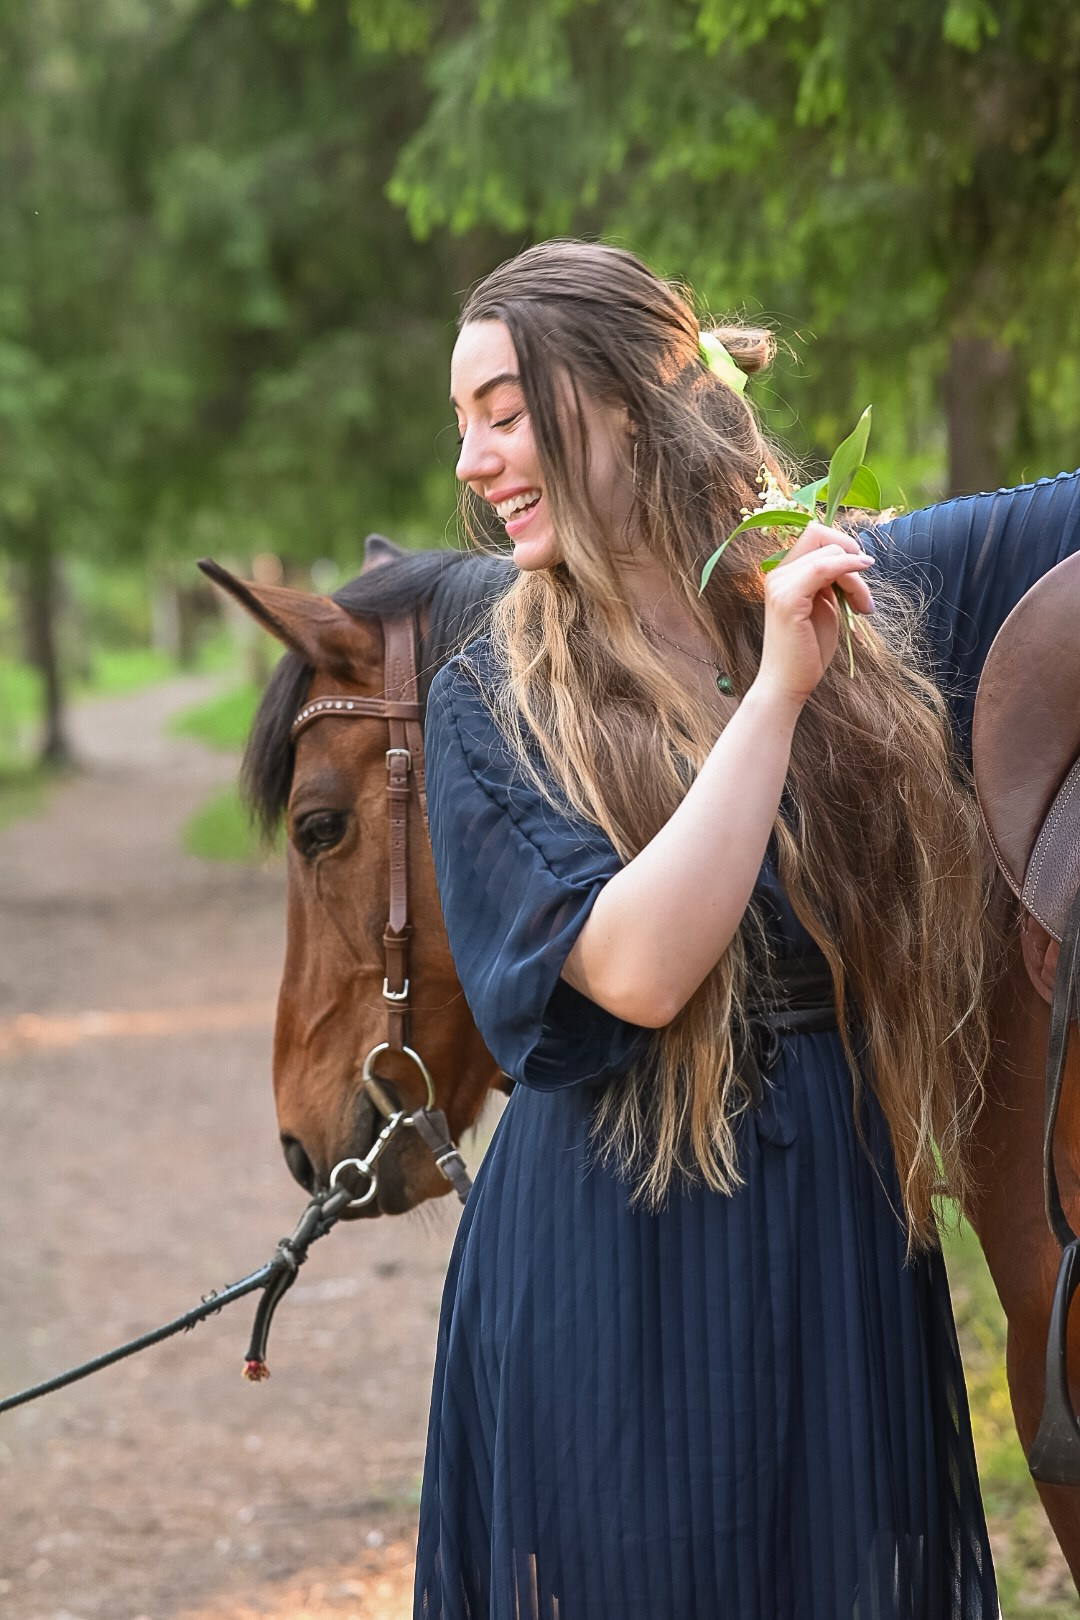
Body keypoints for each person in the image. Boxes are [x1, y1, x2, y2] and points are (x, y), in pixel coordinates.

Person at [414, 239, 1080, 1619]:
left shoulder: (845, 595)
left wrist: (790, 648)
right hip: (623, 1266)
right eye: (461, 425)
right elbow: (643, 970)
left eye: (502, 411)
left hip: (839, 1246)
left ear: (625, 401)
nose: (472, 463)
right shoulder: (494, 700)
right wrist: (775, 693)